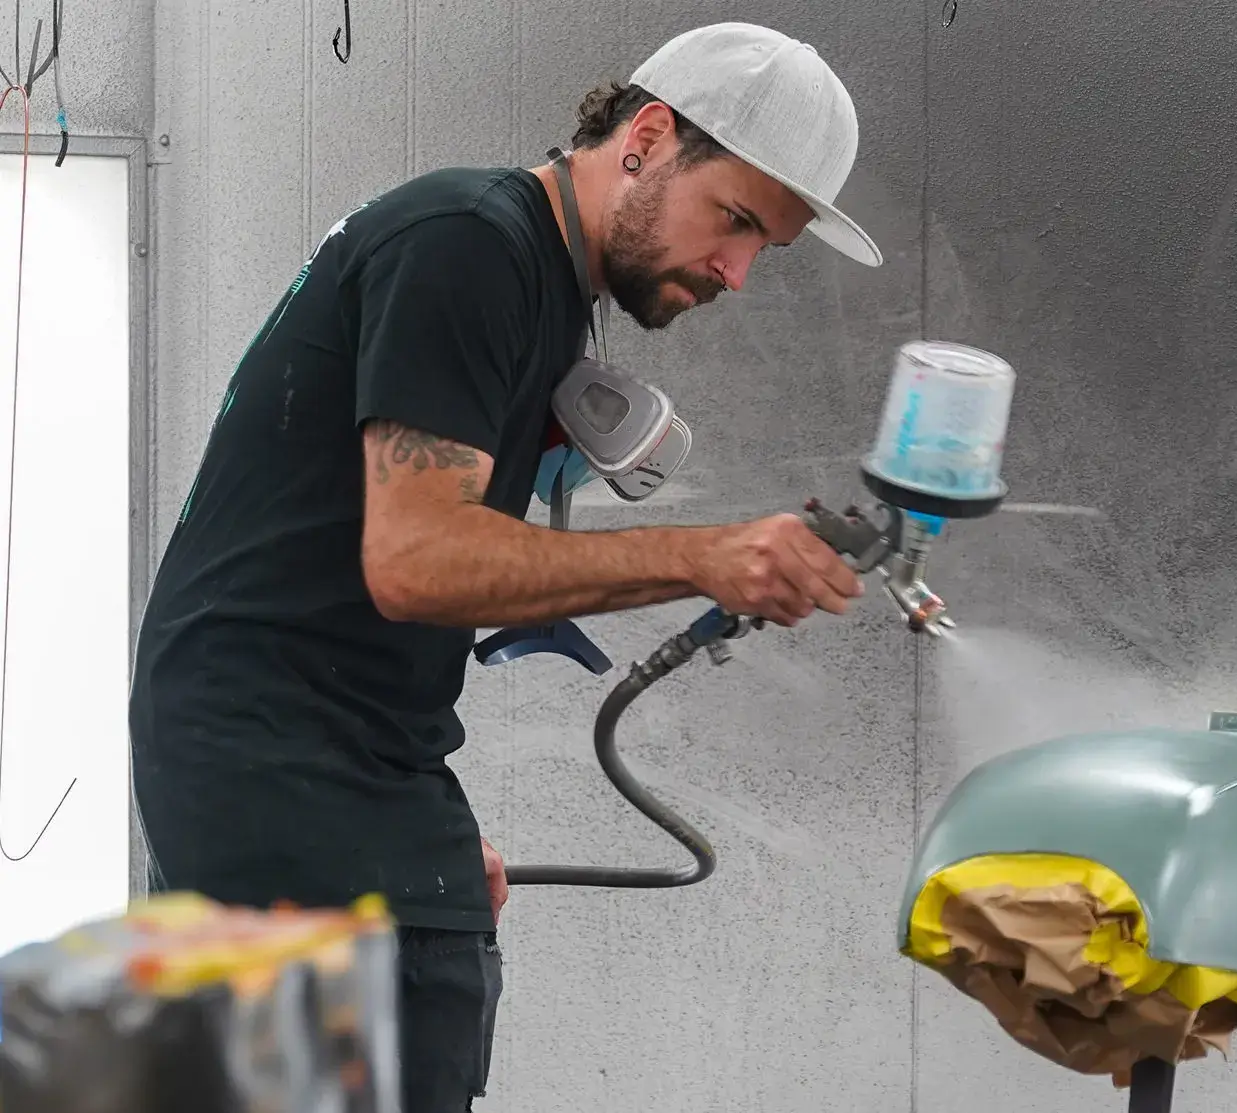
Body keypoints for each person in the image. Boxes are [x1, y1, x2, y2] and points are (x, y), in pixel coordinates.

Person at [128, 20, 882, 1113]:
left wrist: (420, 833)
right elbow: (419, 560)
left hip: (322, 775)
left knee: (432, 984)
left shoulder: (533, 285)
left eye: (767, 245)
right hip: (278, 774)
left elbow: (373, 582)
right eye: (734, 221)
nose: (738, 271)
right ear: (649, 138)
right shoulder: (466, 242)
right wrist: (709, 556)